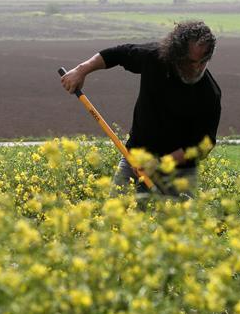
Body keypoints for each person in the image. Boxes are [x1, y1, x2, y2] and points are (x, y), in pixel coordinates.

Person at [60, 21, 221, 201]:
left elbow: (204, 144)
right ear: (176, 54)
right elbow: (118, 54)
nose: (197, 68)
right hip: (134, 160)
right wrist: (80, 71)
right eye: (191, 62)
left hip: (180, 173)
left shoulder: (209, 94)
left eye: (203, 61)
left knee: (176, 219)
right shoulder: (154, 58)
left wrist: (159, 165)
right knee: (117, 214)